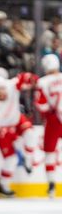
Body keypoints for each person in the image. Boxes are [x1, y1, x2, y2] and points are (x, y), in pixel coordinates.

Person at [0, 73, 38, 197]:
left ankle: (28, 159)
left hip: (16, 120)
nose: (1, 92)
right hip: (3, 129)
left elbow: (24, 77)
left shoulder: (11, 86)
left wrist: (31, 78)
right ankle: (3, 185)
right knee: (11, 159)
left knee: (30, 134)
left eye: (2, 88)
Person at [34, 54, 62, 198]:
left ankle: (51, 185)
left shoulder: (43, 81)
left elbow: (42, 105)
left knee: (49, 151)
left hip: (54, 119)